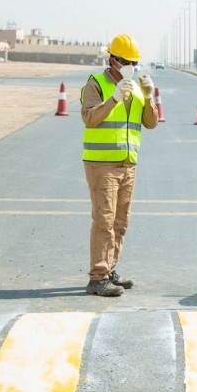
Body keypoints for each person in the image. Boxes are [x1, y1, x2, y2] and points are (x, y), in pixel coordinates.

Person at [80, 34, 158, 297]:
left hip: (127, 164)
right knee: (104, 220)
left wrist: (150, 98)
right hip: (102, 164)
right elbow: (89, 118)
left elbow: (150, 123)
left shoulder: (135, 88)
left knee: (120, 222)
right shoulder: (97, 84)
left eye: (134, 62)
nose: (131, 67)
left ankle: (110, 269)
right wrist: (113, 98)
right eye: (126, 61)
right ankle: (98, 277)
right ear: (113, 60)